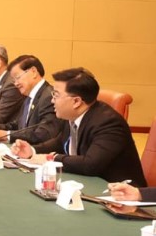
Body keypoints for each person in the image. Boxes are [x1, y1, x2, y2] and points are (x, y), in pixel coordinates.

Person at [11, 67, 146, 185]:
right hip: (86, 183)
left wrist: (52, 158)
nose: (52, 100)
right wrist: (32, 151)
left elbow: (91, 164)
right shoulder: (72, 115)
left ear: (76, 101)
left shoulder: (109, 123)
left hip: (119, 193)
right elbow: (61, 142)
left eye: (56, 95)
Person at [0, 55, 61, 144]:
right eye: (13, 80)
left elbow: (43, 134)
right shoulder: (29, 97)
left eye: (17, 77)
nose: (15, 83)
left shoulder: (48, 97)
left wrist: (7, 135)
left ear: (33, 72)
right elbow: (18, 125)